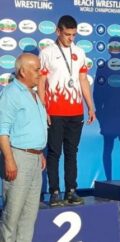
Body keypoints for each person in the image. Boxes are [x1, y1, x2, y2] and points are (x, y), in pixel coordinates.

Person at [38, 15, 96, 206]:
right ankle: (54, 192)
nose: (71, 38)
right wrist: (43, 107)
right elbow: (41, 82)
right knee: (54, 152)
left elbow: (82, 80)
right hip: (54, 111)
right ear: (58, 31)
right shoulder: (47, 52)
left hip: (75, 112)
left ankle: (71, 190)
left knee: (72, 152)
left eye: (73, 35)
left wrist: (90, 106)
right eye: (67, 34)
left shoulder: (79, 52)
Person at [0, 53, 47, 242]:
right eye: (36, 69)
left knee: (29, 216)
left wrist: (39, 153)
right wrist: (9, 160)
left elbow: (31, 126)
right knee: (12, 215)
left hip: (35, 159)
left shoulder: (33, 93)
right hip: (18, 158)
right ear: (22, 71)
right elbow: (2, 130)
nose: (40, 73)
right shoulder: (11, 93)